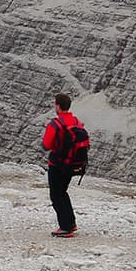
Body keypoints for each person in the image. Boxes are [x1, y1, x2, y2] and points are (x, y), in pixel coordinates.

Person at [42, 93, 83, 237]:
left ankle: (65, 227)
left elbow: (46, 145)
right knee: (63, 192)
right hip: (72, 164)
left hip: (57, 164)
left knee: (56, 195)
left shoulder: (55, 124)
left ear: (58, 106)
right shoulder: (76, 122)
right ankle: (71, 223)